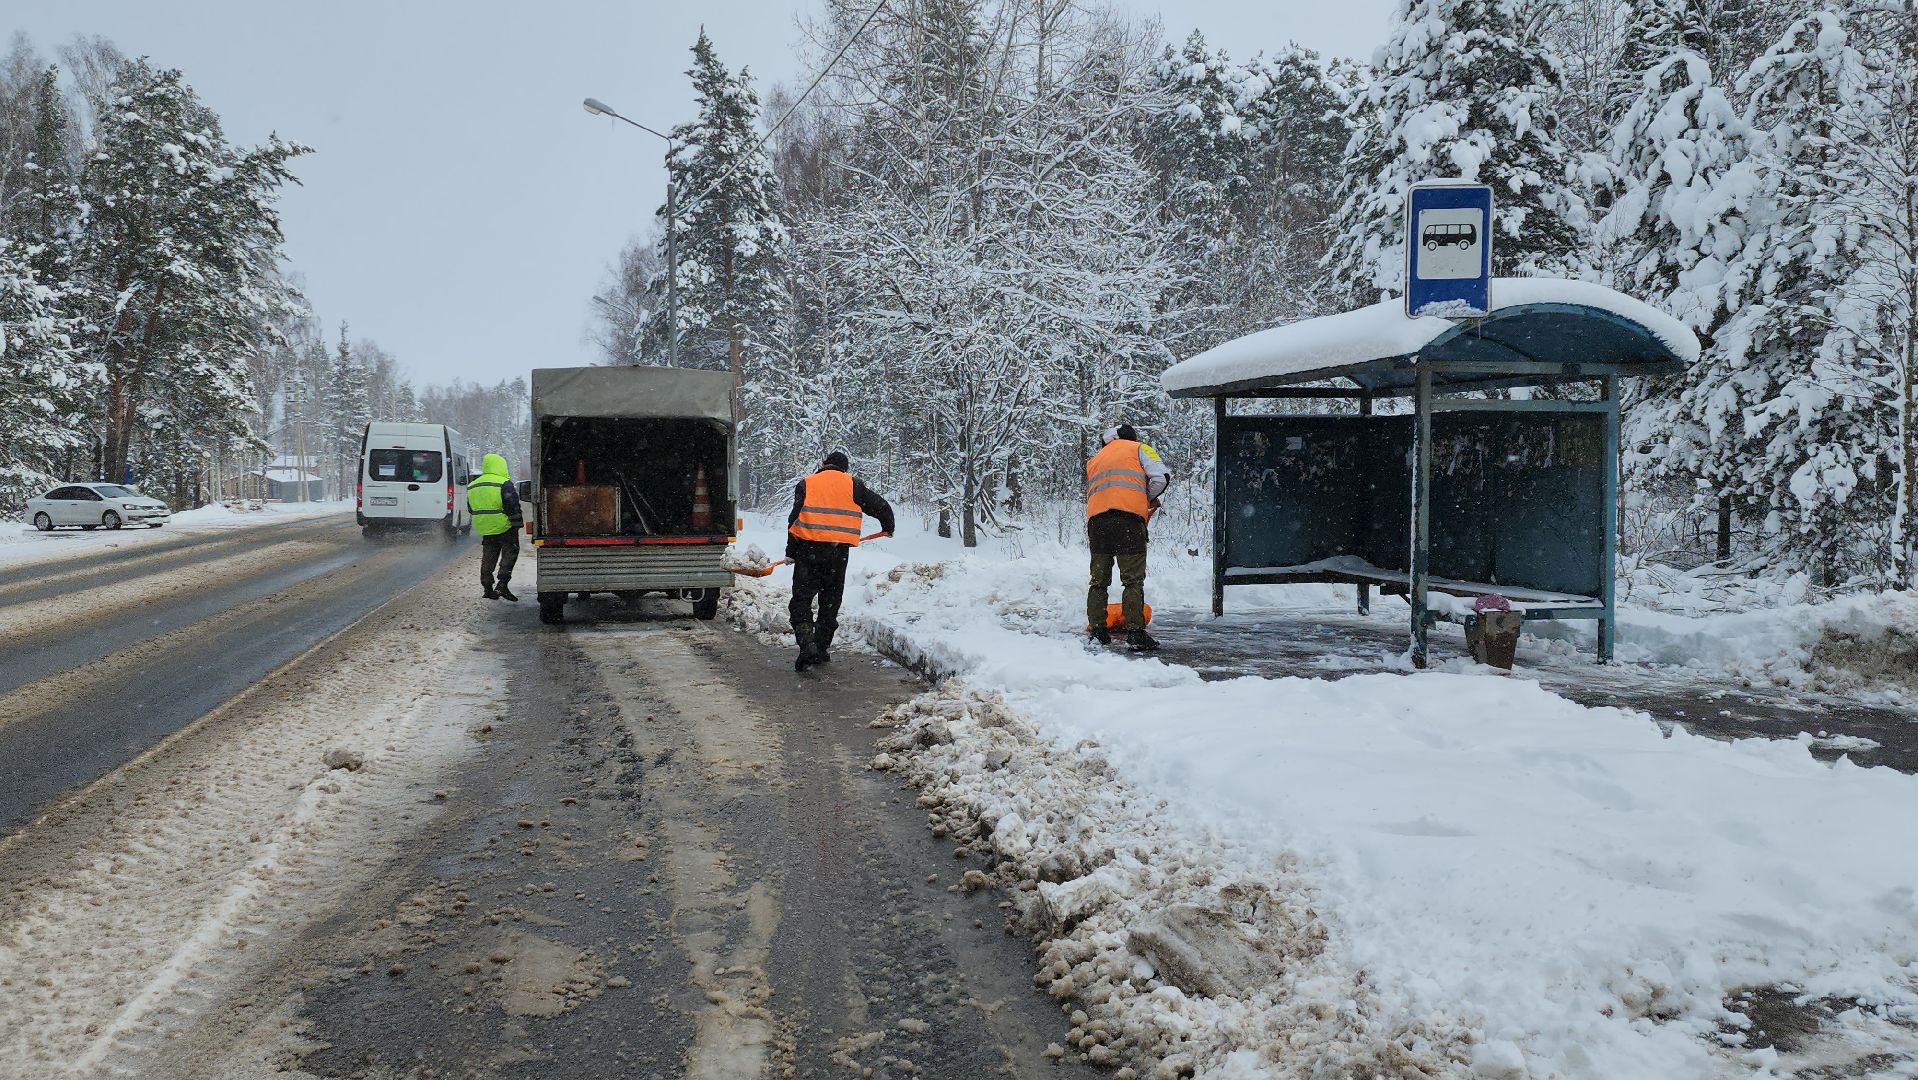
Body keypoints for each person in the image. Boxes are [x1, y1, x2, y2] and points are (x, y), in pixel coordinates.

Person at [788, 450, 894, 672]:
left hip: (808, 552)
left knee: (801, 600)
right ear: (844, 468)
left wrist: (792, 551)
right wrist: (888, 526)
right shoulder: (853, 485)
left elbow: (794, 520)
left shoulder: (807, 483)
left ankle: (807, 645)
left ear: (824, 464)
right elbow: (881, 506)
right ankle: (821, 647)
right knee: (830, 601)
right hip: (837, 555)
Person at [1085, 424, 1169, 650]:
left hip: (1097, 522)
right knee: (1132, 580)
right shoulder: (1139, 448)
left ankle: (1098, 632)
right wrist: (1144, 498)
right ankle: (1135, 633)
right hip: (1128, 522)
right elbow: (1161, 478)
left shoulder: (1095, 459)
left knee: (1098, 580)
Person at [467, 452, 524, 601]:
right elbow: (512, 505)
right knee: (510, 552)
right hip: (505, 526)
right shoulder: (504, 483)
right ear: (501, 466)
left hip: (486, 527)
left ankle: (487, 588)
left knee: (489, 555)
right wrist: (517, 523)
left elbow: (471, 508)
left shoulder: (473, 485)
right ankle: (502, 584)